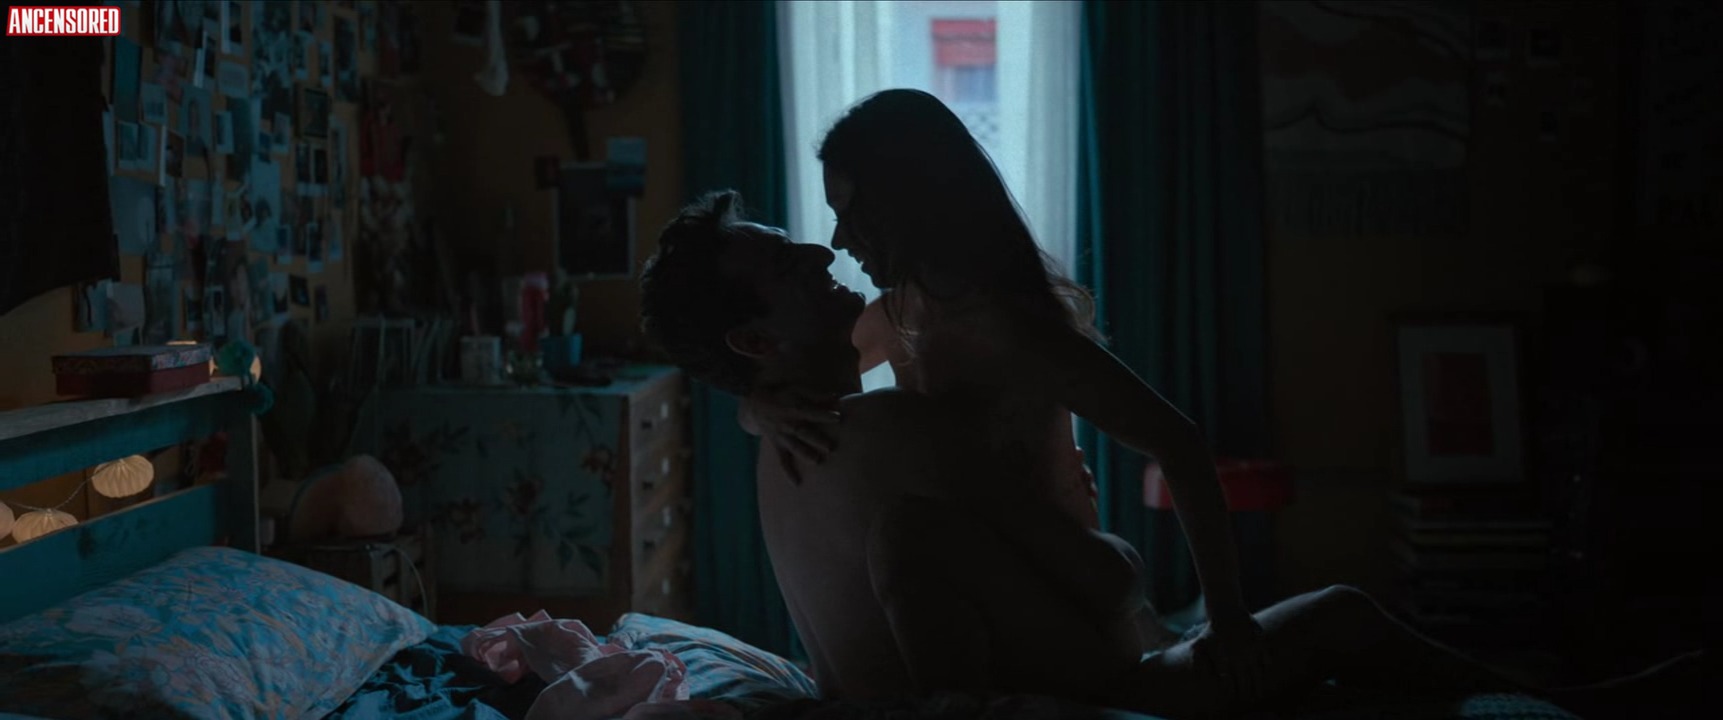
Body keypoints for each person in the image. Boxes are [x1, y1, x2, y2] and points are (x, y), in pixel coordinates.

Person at [640, 192, 1710, 718]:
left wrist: (752, 408)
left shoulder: (788, 440)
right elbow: (1094, 586)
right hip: (1100, 676)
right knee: (1340, 612)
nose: (823, 248)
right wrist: (1113, 557)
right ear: (755, 344)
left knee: (1332, 665)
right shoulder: (886, 433)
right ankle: (1582, 707)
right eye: (789, 263)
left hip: (1024, 664)